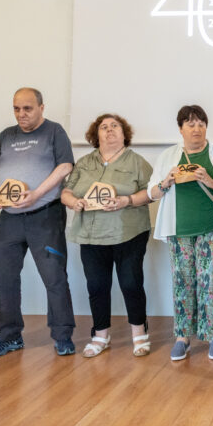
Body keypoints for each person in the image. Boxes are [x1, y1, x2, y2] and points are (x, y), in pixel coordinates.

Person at [0, 87, 76, 358]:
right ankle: (10, 336)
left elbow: (66, 166)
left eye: (28, 108)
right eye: (16, 108)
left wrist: (36, 194)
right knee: (3, 277)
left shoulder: (54, 131)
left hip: (44, 216)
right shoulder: (6, 136)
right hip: (9, 219)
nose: (21, 114)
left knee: (54, 277)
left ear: (41, 108)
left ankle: (62, 335)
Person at [148, 105, 213, 362]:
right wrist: (166, 182)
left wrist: (211, 181)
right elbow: (152, 191)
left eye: (201, 124)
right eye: (190, 124)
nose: (196, 129)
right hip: (178, 229)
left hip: (211, 226)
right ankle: (182, 337)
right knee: (182, 282)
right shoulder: (168, 156)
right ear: (180, 129)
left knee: (210, 281)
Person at [61, 114, 153, 358]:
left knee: (131, 284)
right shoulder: (84, 163)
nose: (110, 130)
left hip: (129, 233)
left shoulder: (138, 162)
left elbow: (152, 193)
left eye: (115, 126)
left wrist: (127, 200)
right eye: (104, 127)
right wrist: (74, 203)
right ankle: (100, 335)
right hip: (91, 236)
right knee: (97, 286)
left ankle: (139, 333)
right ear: (96, 134)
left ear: (124, 134)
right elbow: (66, 192)